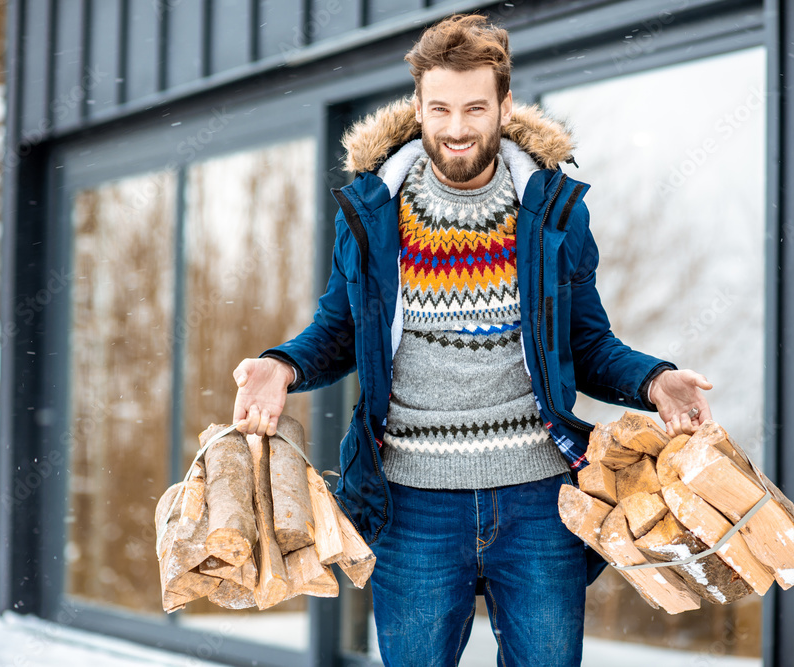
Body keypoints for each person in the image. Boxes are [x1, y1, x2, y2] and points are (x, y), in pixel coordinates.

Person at [232, 13, 713, 666]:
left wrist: (655, 378)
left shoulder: (554, 214)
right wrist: (280, 365)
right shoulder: (371, 211)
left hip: (540, 502)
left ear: (504, 105)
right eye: (440, 109)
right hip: (411, 504)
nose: (457, 129)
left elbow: (587, 342)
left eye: (474, 108)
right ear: (419, 106)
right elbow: (339, 330)